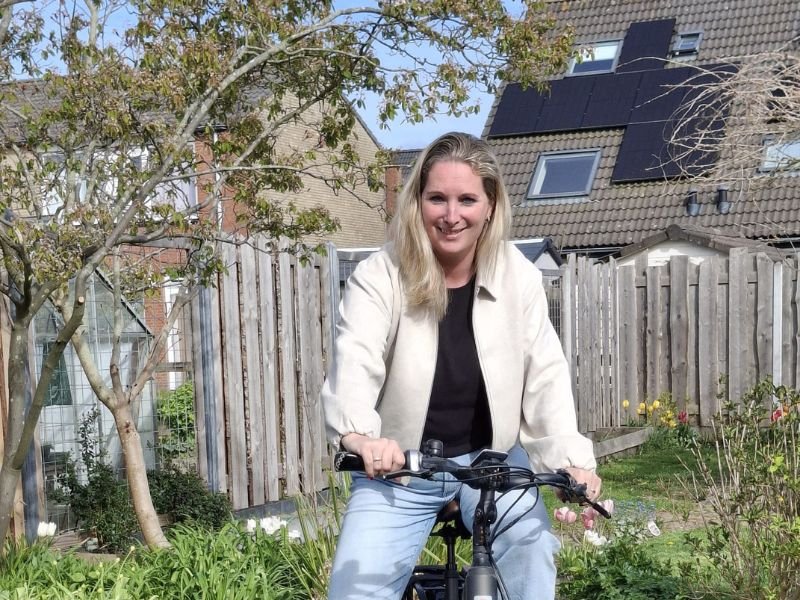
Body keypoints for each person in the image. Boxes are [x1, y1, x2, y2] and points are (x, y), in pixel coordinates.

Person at [322, 132, 600, 600]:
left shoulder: (520, 278)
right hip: (402, 468)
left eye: (467, 199)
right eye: (437, 199)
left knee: (531, 552)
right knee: (355, 588)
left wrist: (572, 463)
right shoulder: (379, 277)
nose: (452, 216)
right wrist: (362, 438)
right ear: (417, 202)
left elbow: (545, 377)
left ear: (490, 205)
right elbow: (355, 362)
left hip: (490, 463)